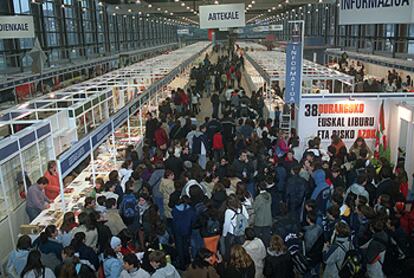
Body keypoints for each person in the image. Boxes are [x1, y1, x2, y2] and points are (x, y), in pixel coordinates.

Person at [222, 194, 249, 260]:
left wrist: (224, 235)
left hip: (232, 234)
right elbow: (247, 217)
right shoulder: (242, 207)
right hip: (242, 232)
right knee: (240, 250)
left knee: (229, 251)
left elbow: (226, 224)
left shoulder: (228, 211)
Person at [253, 182, 272, 246]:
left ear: (258, 188)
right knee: (267, 238)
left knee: (257, 238)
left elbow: (254, 208)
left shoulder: (259, 198)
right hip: (268, 219)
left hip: (259, 221)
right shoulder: (269, 195)